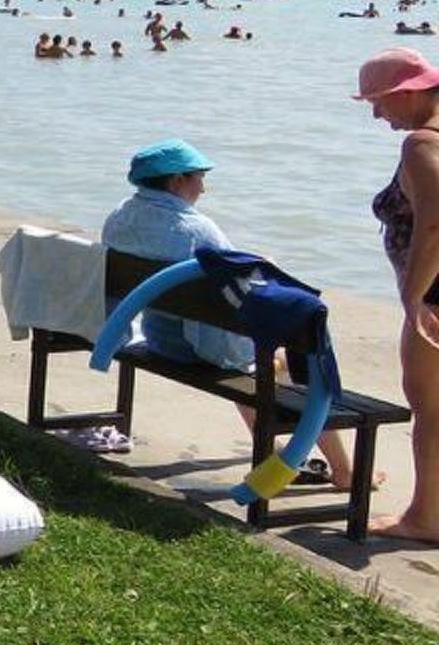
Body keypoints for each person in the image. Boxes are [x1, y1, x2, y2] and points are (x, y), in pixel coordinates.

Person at [103, 139, 360, 489]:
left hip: (162, 341)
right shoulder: (197, 229)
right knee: (302, 363)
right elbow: (243, 286)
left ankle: (271, 452)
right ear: (177, 180)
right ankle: (344, 471)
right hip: (199, 351)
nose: (203, 188)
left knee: (252, 362)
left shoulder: (119, 217)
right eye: (199, 178)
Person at [358, 49, 439, 539]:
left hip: (436, 294)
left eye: (377, 101)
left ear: (407, 93)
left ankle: (425, 518)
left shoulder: (422, 143)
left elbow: (434, 223)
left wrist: (414, 297)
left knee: (431, 408)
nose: (375, 114)